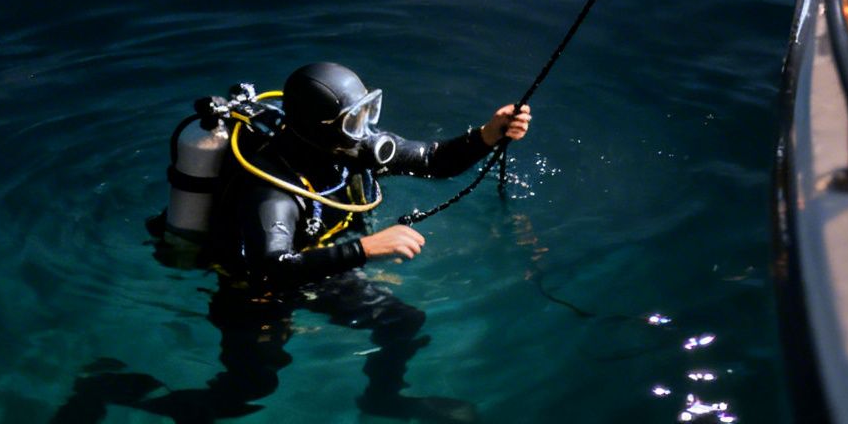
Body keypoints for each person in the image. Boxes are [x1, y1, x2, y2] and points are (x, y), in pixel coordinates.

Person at [55, 62, 531, 423]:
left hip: (318, 267)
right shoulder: (273, 190)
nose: (365, 129)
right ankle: (112, 387)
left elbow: (433, 160)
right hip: (256, 290)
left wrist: (488, 135)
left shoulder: (345, 147)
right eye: (353, 119)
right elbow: (270, 266)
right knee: (242, 395)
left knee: (401, 321)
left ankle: (383, 398)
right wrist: (368, 249)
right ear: (321, 129)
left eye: (368, 112)